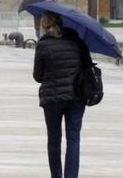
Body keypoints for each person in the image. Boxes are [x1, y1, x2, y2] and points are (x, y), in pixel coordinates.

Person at [33, 11, 87, 178]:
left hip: (52, 99)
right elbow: (85, 66)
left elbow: (38, 76)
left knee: (54, 139)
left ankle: (56, 175)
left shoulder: (43, 45)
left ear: (44, 24)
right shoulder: (77, 42)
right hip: (76, 97)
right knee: (73, 140)